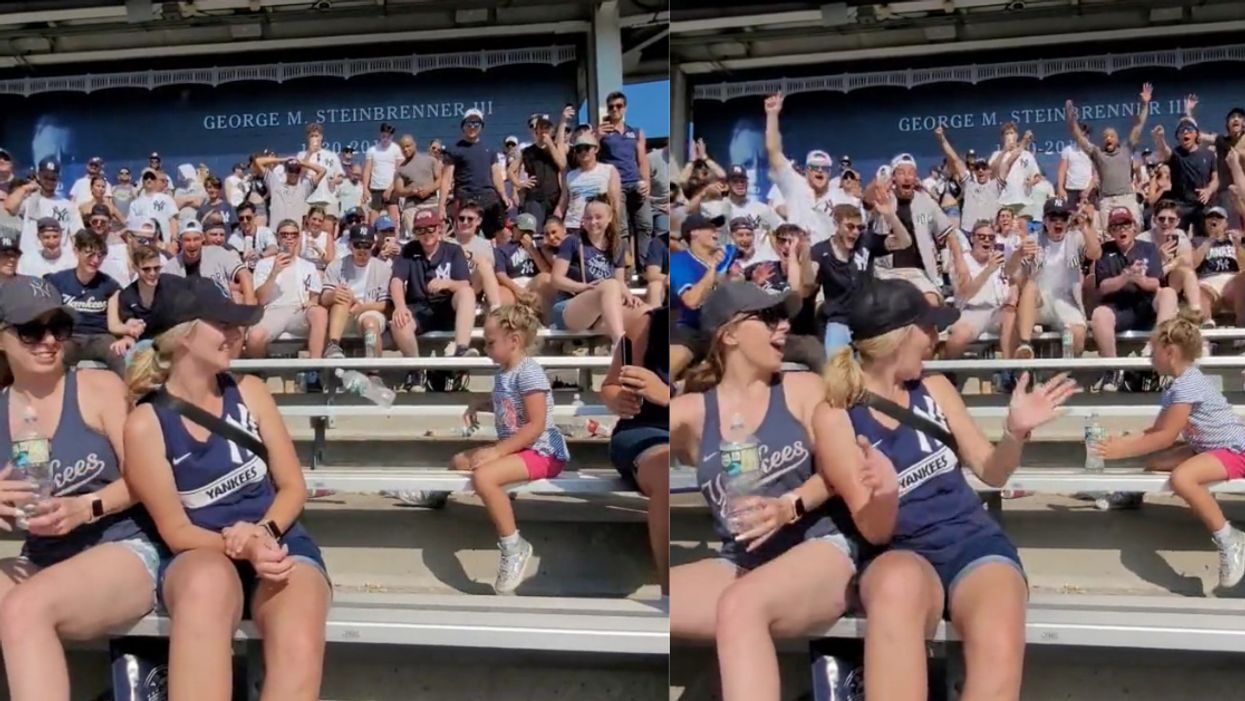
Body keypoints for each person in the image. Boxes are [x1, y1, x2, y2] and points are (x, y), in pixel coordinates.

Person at [819, 277, 1075, 701]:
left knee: (1000, 622)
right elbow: (876, 532)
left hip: (972, 543)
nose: (937, 339)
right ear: (898, 338)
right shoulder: (835, 417)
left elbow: (993, 474)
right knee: (895, 587)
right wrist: (883, 493)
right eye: (929, 329)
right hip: (898, 551)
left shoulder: (934, 388)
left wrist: (1014, 435)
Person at [123, 276, 331, 701]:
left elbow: (293, 487)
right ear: (183, 336)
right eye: (223, 323)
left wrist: (262, 535)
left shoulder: (250, 392)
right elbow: (176, 531)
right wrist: (240, 546)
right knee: (205, 587)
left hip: (276, 538)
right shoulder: (146, 423)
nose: (237, 333)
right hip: (199, 548)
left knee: (300, 622)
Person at [670, 282, 855, 701]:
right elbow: (633, 425)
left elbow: (839, 472)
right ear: (729, 334)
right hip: (743, 561)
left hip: (821, 548)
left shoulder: (804, 387)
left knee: (741, 607)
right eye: (769, 317)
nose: (784, 326)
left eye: (784, 317)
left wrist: (789, 506)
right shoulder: (694, 413)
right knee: (647, 611)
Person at [0, 275, 162, 701]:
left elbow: (149, 480)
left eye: (59, 327)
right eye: (31, 330)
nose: (49, 340)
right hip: (42, 556)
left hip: (123, 546)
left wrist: (85, 507)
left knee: (24, 608)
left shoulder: (97, 388)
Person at [1097, 312, 1245, 590]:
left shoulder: (1188, 384)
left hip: (1235, 450)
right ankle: (1131, 496)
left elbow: (1165, 436)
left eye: (1153, 352)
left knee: (1182, 478)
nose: (1149, 358)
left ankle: (1229, 538)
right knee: (1156, 463)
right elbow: (1155, 432)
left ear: (1170, 352)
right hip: (1205, 446)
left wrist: (1120, 452)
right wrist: (1121, 443)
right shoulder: (1177, 386)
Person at [456, 305, 570, 595]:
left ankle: (513, 546)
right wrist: (478, 404)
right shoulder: (504, 372)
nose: (485, 348)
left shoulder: (529, 372)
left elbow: (536, 424)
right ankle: (432, 495)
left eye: (491, 342)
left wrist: (498, 452)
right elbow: (505, 401)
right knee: (459, 460)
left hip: (542, 451)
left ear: (514, 341)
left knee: (484, 477)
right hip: (517, 450)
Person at [602, 305, 669, 595]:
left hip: (706, 431)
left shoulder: (723, 326)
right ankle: (669, 594)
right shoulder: (649, 324)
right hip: (648, 432)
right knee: (668, 475)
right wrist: (618, 399)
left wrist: (669, 395)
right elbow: (611, 384)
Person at [1091, 207, 1179, 390]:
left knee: (1168, 293)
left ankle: (1156, 345)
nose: (1121, 230)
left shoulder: (1148, 248)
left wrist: (1139, 279)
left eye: (1125, 224)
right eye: (1116, 226)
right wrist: (1126, 276)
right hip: (1118, 308)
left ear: (1134, 227)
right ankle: (1112, 369)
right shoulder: (1104, 251)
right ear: (1110, 232)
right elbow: (1103, 287)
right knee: (1099, 314)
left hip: (1145, 306)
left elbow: (1156, 282)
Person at [550, 198, 646, 344]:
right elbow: (556, 279)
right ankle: (619, 344)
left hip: (601, 311)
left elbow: (620, 282)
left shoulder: (617, 245)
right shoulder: (573, 241)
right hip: (569, 306)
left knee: (646, 311)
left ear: (610, 218)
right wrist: (584, 287)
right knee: (610, 285)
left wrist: (629, 296)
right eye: (588, 218)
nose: (593, 222)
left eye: (598, 217)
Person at [245, 219, 330, 363]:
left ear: (298, 238)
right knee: (254, 338)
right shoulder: (264, 264)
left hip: (299, 311)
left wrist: (311, 302)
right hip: (272, 310)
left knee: (320, 313)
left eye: (293, 235)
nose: (289, 238)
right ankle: (259, 372)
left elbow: (314, 298)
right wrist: (274, 272)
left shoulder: (308, 266)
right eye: (284, 235)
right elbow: (261, 299)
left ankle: (314, 367)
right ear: (278, 237)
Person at [45, 228, 125, 375]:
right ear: (77, 252)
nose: (95, 260)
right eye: (90, 254)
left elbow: (115, 323)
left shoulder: (110, 285)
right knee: (55, 358)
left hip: (100, 337)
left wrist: (129, 333)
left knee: (121, 357)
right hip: (70, 337)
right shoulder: (57, 281)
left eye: (100, 255)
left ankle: (130, 396)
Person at [321, 223, 390, 360]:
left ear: (373, 246)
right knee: (343, 296)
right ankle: (333, 346)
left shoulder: (383, 268)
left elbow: (386, 305)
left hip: (369, 311)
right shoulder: (336, 266)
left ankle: (373, 370)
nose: (362, 250)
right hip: (341, 316)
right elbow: (323, 299)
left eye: (367, 246)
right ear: (350, 245)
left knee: (370, 323)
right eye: (358, 245)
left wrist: (362, 307)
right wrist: (334, 295)